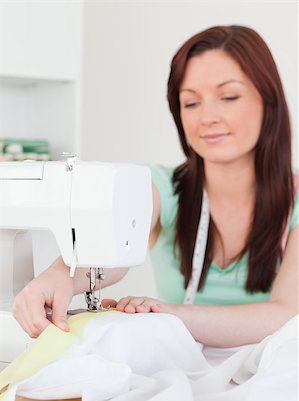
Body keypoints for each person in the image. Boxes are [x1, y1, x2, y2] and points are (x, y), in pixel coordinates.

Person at [13, 25, 298, 347]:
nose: (208, 117)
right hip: (185, 368)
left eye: (228, 97)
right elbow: (113, 236)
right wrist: (59, 275)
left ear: (269, 100)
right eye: (191, 103)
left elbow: (287, 314)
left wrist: (167, 315)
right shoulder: (160, 188)